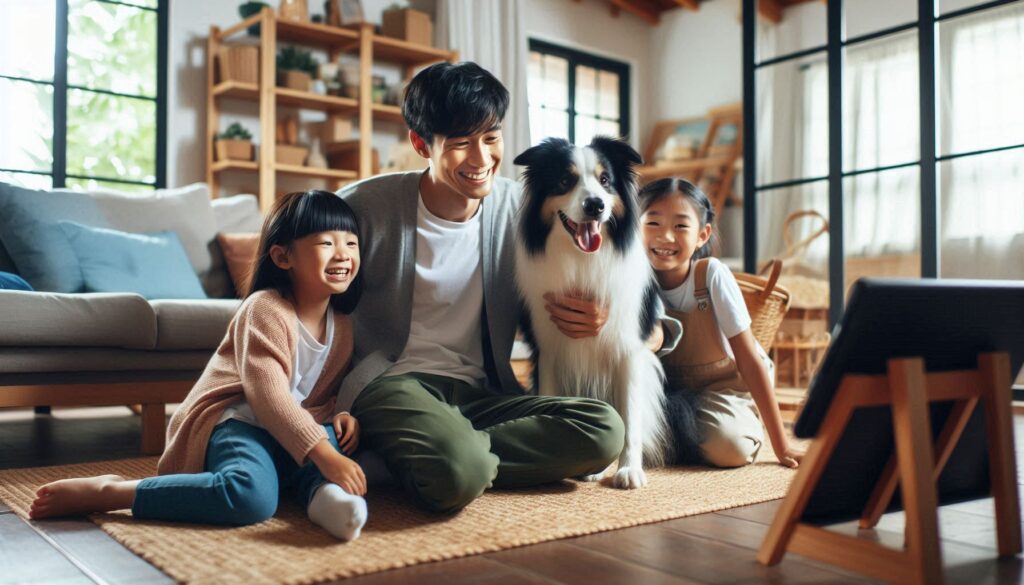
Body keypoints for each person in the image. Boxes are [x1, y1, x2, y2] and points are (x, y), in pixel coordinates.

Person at [334, 61, 682, 514]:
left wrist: (641, 329)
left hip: (484, 391)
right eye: (461, 143)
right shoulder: (365, 207)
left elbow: (625, 291)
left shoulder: (520, 210)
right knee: (463, 471)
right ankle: (451, 456)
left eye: (491, 138)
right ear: (421, 143)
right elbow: (298, 297)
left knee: (604, 432)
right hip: (394, 381)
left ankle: (421, 453)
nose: (481, 158)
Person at [30, 190, 370, 541]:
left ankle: (327, 499)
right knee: (250, 498)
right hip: (240, 422)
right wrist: (324, 453)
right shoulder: (265, 309)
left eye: (351, 243)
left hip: (291, 430)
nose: (343, 254)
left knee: (334, 448)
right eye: (326, 243)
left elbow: (314, 397)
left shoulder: (342, 326)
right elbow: (270, 397)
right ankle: (113, 492)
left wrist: (336, 415)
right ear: (283, 257)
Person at [639, 177, 803, 469]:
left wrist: (782, 444)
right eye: (653, 223)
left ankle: (739, 428)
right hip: (672, 395)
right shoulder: (634, 278)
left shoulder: (711, 275)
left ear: (702, 235)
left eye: (680, 226)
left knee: (729, 447)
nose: (665, 236)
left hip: (726, 392)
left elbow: (749, 360)